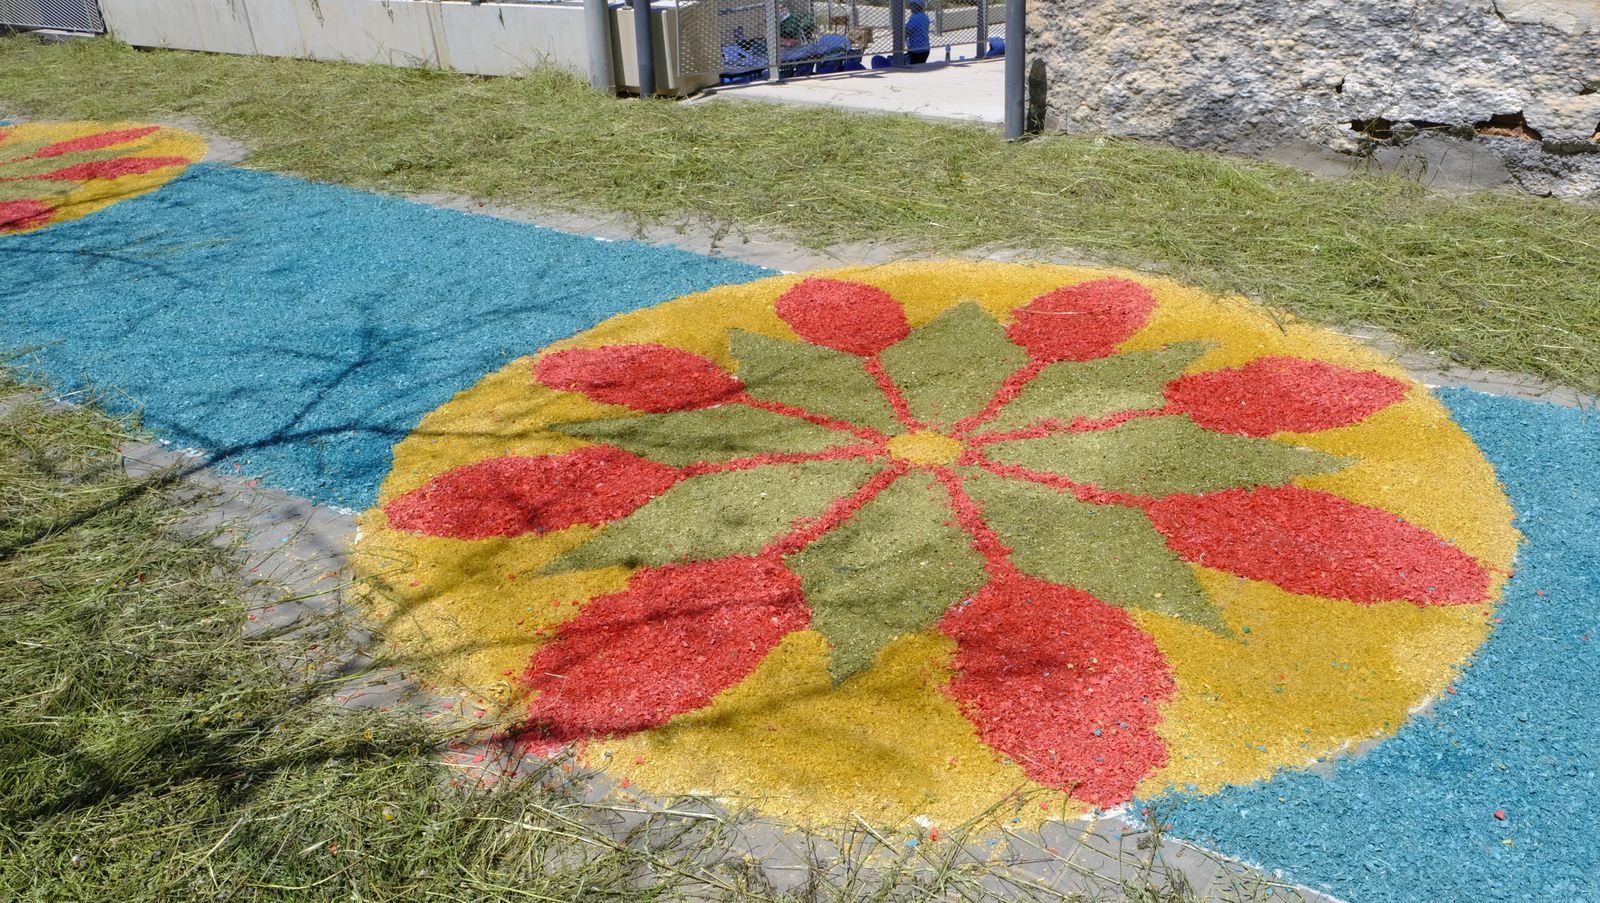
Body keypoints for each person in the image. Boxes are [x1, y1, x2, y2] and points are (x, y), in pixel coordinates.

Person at [905, 0, 931, 65]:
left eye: (911, 4)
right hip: (926, 49)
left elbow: (907, 32)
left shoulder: (914, 18)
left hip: (916, 50)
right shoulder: (925, 17)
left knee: (914, 67)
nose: (910, 7)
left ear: (916, 6)